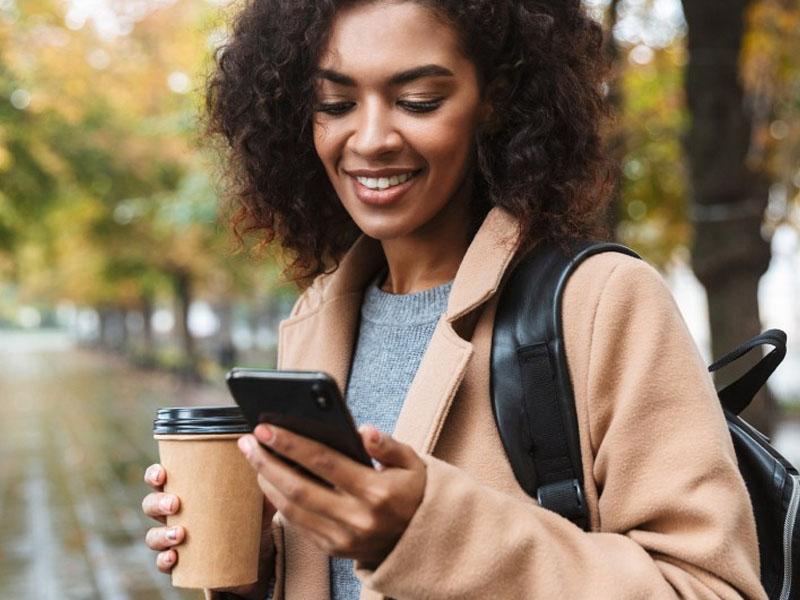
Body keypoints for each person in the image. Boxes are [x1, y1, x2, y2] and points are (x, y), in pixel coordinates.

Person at [142, 1, 767, 598]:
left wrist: (423, 530)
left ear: (493, 100)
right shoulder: (316, 318)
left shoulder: (602, 303)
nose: (371, 138)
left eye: (418, 100)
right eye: (334, 103)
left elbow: (706, 588)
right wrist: (258, 568)